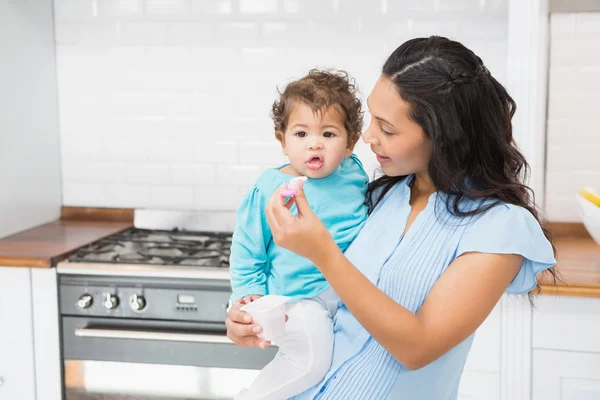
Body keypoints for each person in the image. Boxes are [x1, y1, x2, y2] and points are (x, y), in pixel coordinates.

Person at [226, 36, 557, 400]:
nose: (367, 138)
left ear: (443, 136)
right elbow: (327, 311)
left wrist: (323, 253)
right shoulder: (382, 197)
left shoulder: (499, 227)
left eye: (387, 129)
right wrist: (256, 316)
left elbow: (418, 348)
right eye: (372, 119)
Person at [229, 69, 369, 400]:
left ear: (351, 143)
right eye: (301, 133)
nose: (314, 143)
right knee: (309, 363)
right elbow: (247, 249)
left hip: (347, 292)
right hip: (297, 297)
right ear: (283, 140)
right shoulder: (270, 189)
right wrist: (249, 292)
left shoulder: (354, 173)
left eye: (329, 134)